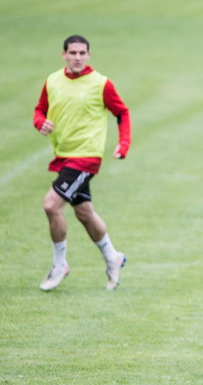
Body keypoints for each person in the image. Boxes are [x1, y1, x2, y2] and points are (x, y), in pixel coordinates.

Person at [33, 35, 131, 291]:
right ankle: (113, 256)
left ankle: (59, 264)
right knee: (84, 213)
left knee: (51, 204)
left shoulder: (101, 84)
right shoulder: (53, 80)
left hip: (86, 157)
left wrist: (124, 144)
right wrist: (39, 122)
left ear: (89, 55)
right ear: (64, 54)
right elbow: (40, 109)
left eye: (82, 53)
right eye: (73, 53)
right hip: (64, 155)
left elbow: (122, 112)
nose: (77, 57)